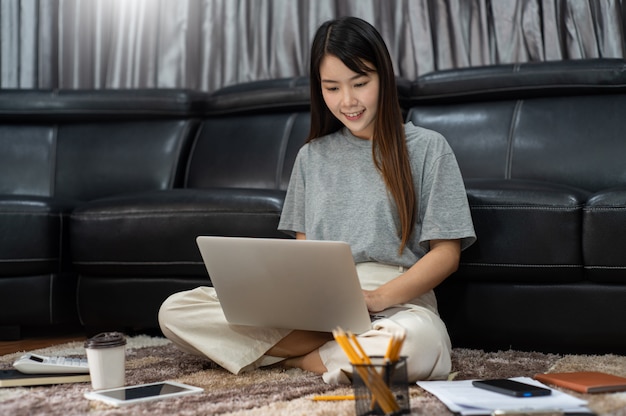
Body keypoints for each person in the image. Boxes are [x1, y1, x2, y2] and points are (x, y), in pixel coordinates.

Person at [158, 16, 476, 385]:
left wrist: (374, 299)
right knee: (176, 311)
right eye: (332, 88)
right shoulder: (312, 157)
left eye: (360, 83)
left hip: (397, 306)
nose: (348, 101)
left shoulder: (428, 148)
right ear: (318, 88)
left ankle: (288, 362)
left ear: (384, 78)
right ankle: (331, 351)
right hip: (321, 307)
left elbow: (446, 253)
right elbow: (304, 255)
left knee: (414, 344)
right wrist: (312, 307)